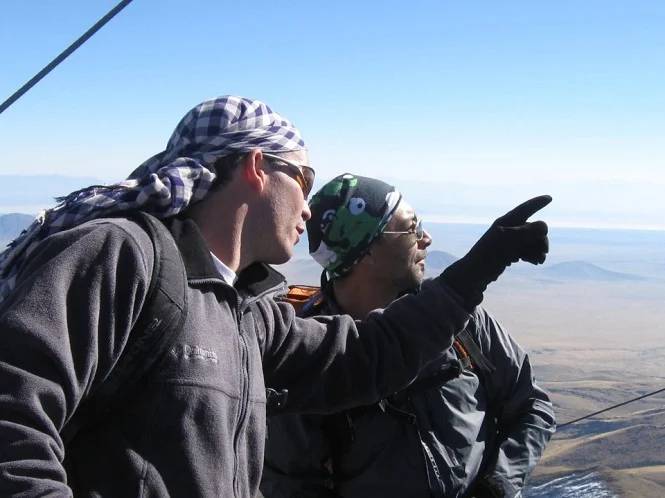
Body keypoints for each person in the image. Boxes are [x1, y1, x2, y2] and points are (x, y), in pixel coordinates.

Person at [0, 96, 550, 497]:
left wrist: (475, 271)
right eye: (305, 182)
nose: (309, 211)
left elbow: (364, 357)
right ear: (257, 167)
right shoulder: (121, 255)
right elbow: (13, 424)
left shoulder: (247, 315)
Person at [261, 174, 555, 498]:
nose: (426, 238)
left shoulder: (462, 322)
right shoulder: (310, 357)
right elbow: (293, 487)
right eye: (412, 227)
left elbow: (531, 404)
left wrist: (500, 484)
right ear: (367, 250)